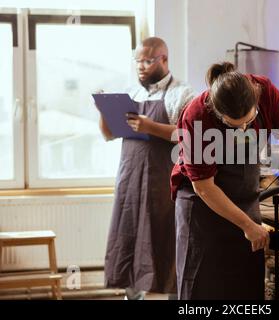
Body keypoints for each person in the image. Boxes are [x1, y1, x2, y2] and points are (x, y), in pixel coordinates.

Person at [171, 62, 279, 300]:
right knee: (203, 287)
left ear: (256, 101)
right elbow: (203, 186)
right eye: (234, 125)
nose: (243, 128)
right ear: (217, 111)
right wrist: (248, 226)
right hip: (202, 207)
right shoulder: (196, 116)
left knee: (245, 286)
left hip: (243, 198)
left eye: (248, 121)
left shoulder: (266, 93)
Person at [97, 37, 195, 300]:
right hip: (130, 181)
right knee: (128, 238)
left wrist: (150, 126)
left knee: (162, 241)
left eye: (148, 61)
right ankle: (132, 295)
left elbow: (188, 136)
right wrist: (103, 111)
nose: (141, 66)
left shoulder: (183, 94)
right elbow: (109, 135)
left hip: (163, 182)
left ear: (164, 59)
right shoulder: (133, 94)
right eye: (138, 61)